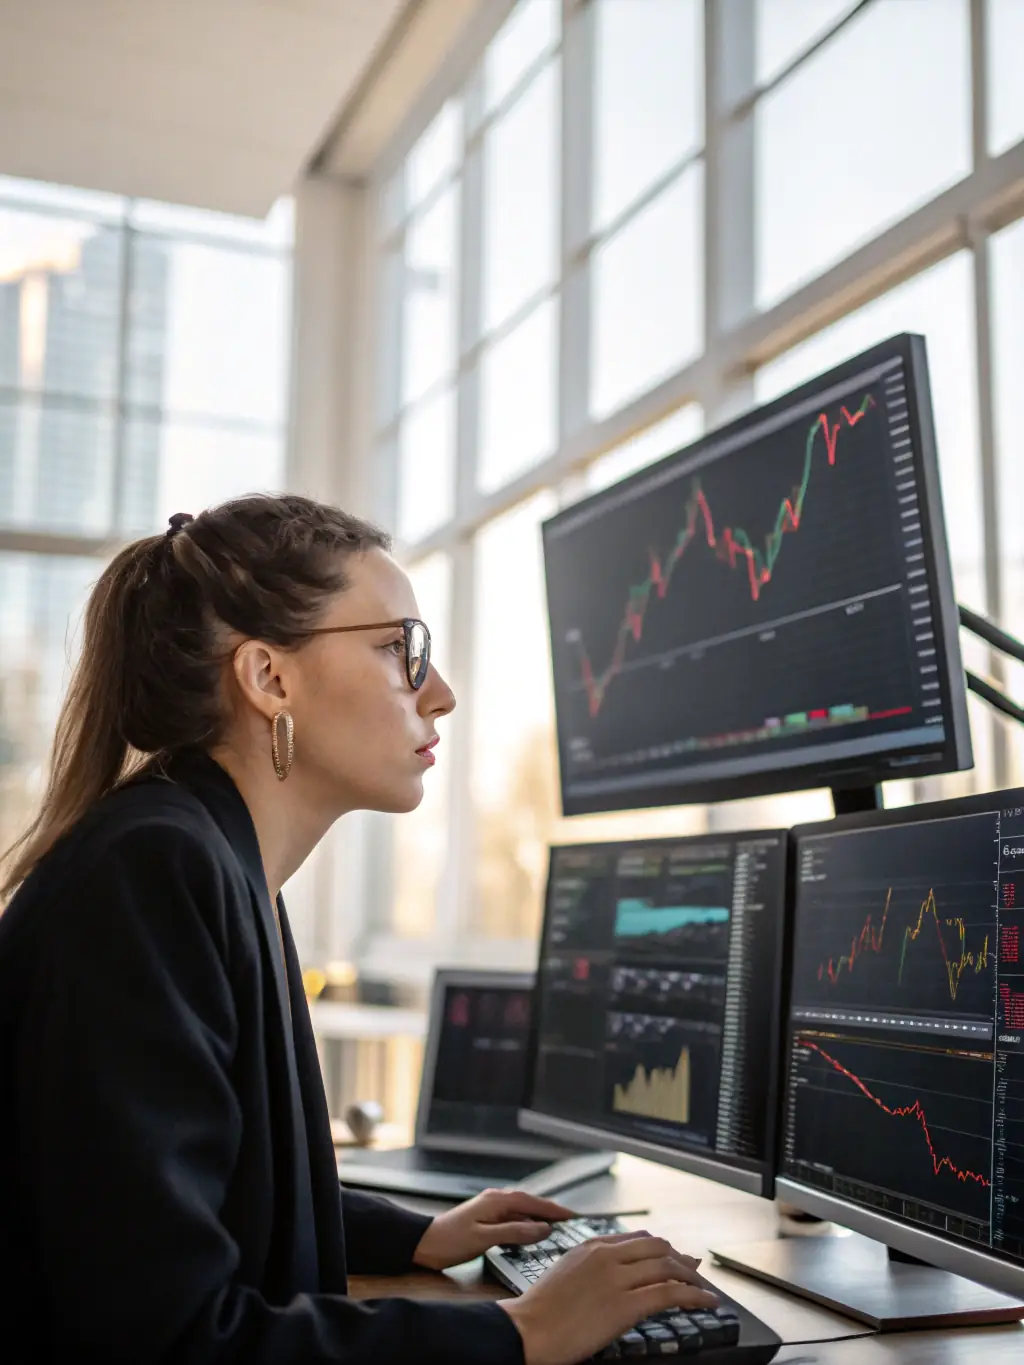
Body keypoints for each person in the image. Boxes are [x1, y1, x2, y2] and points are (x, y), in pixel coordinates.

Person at [0, 494, 715, 1364]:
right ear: (269, 678)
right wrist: (518, 1330)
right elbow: (165, 1338)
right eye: (399, 648)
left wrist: (411, 1235)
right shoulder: (154, 872)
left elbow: (173, 1195)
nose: (439, 694)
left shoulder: (213, 857)